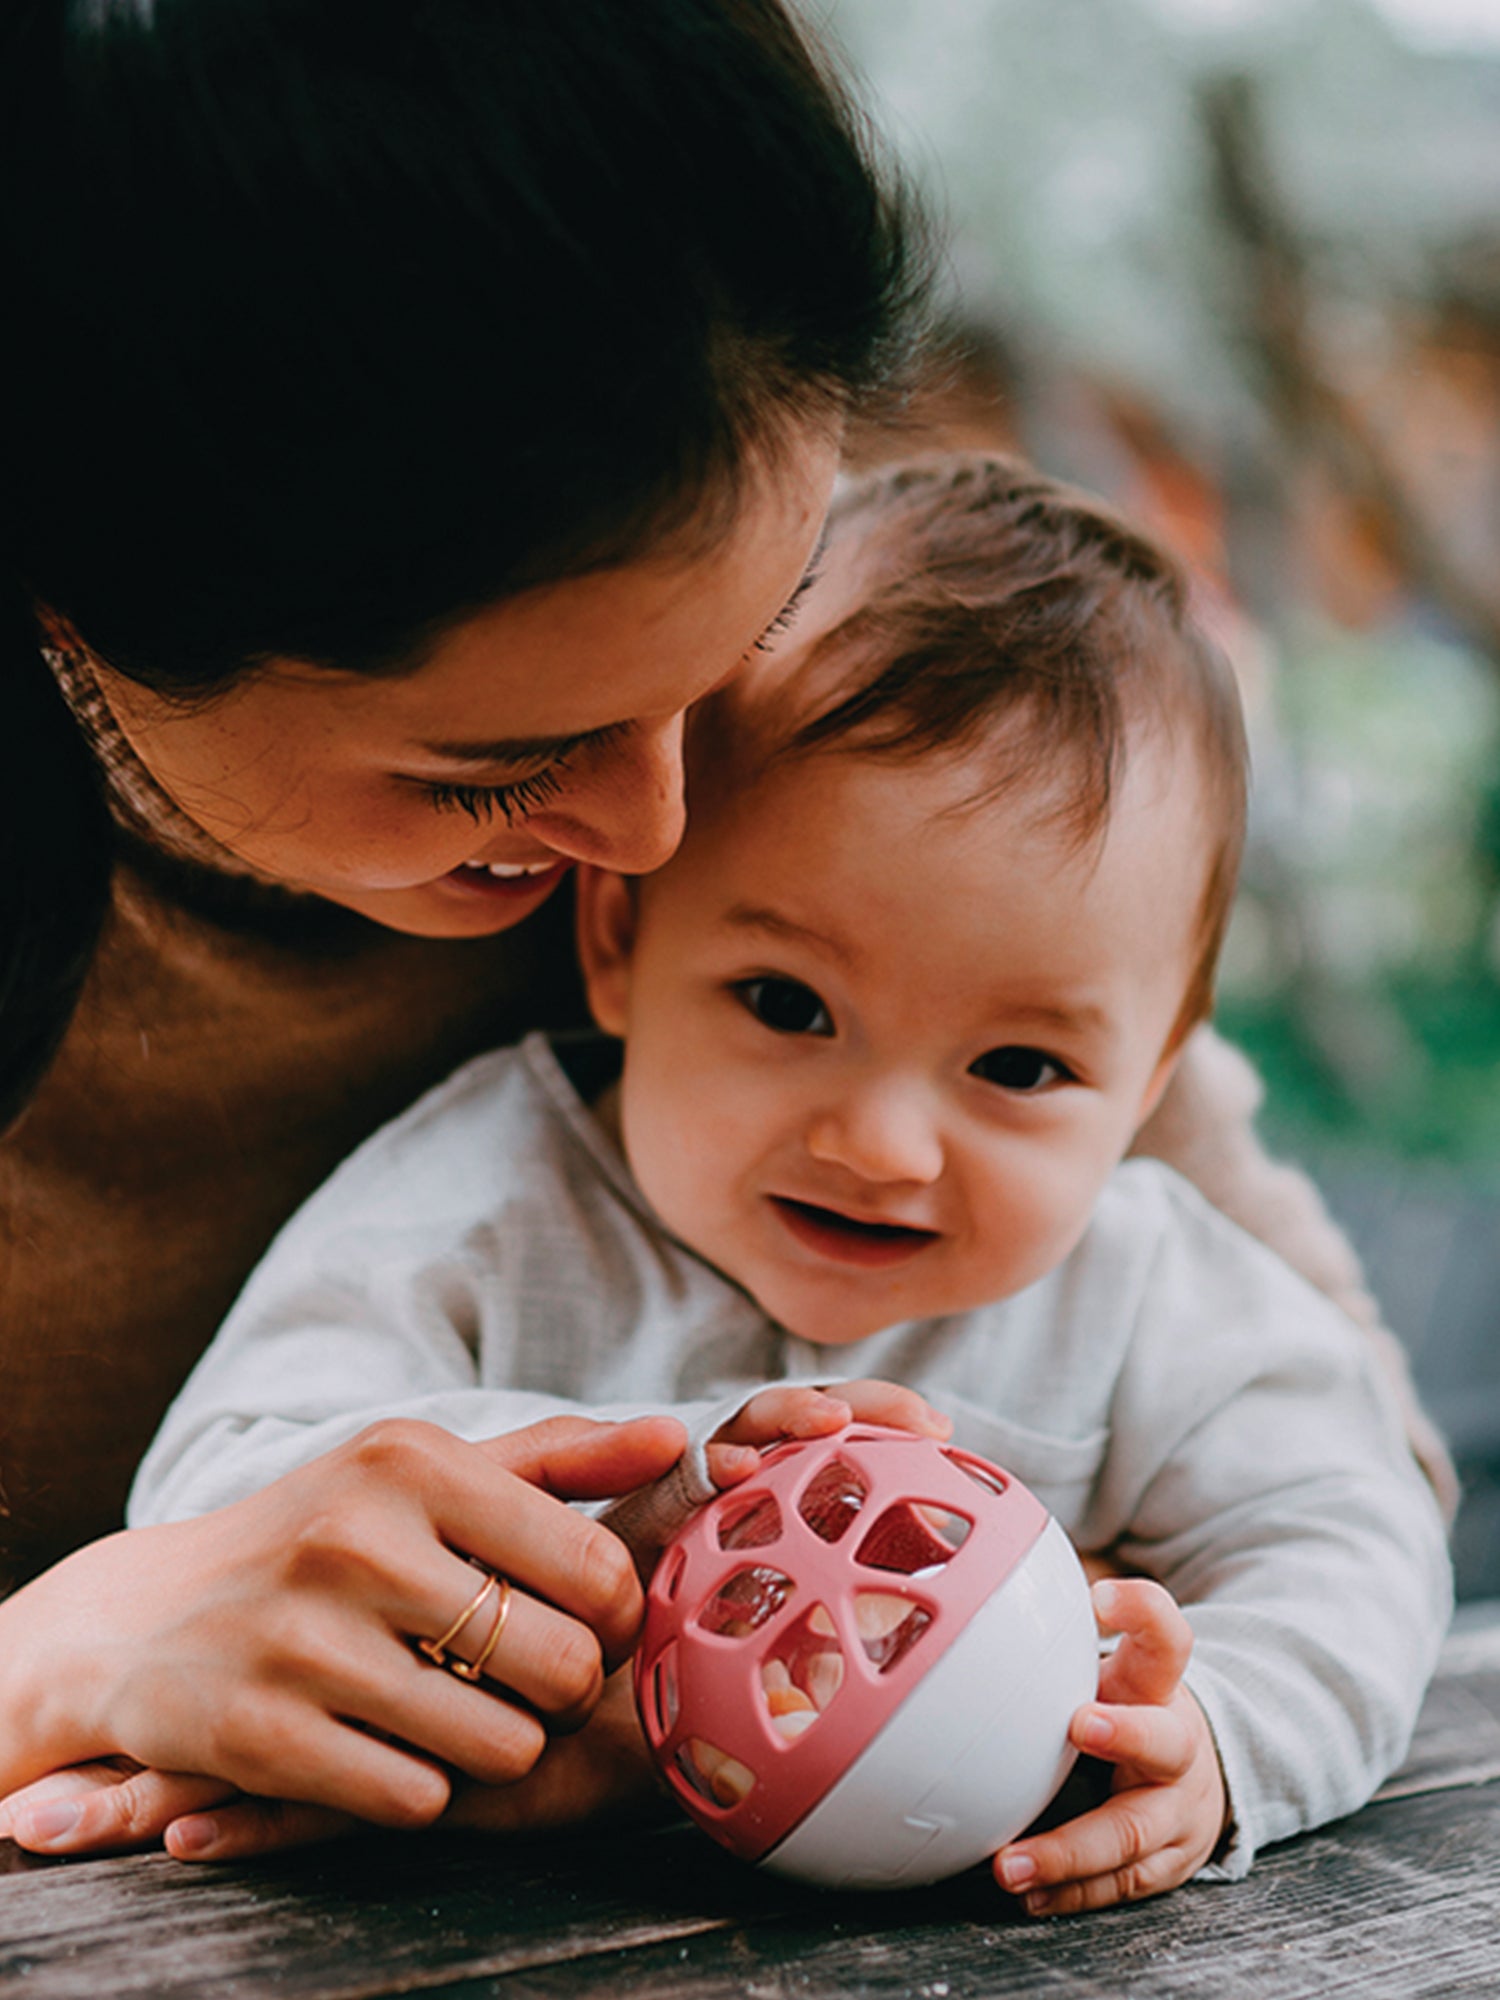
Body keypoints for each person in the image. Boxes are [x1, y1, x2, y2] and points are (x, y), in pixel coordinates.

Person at [114, 458, 1450, 1908]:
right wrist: (660, 1489)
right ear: (617, 940)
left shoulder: (1145, 1287)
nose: (883, 1146)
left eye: (1016, 1068)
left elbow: (1353, 1531)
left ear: (1150, 1084)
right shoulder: (483, 1200)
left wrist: (1218, 1731)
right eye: (786, 1004)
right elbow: (213, 1495)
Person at [0, 0, 932, 1853]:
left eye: (738, 650)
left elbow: (1306, 1420)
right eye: (501, 763)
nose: (658, 833)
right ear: (83, 596)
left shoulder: (834, 757)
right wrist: (60, 1658)